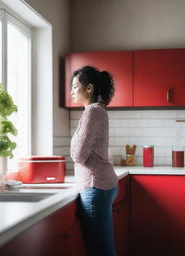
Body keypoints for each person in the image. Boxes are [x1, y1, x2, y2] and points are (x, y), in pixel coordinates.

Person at [70, 66, 119, 256]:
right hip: (101, 184)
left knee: (101, 251)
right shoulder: (96, 111)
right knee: (103, 248)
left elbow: (79, 156)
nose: (72, 91)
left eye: (75, 87)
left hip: (94, 185)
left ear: (89, 88)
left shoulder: (92, 112)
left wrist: (73, 150)